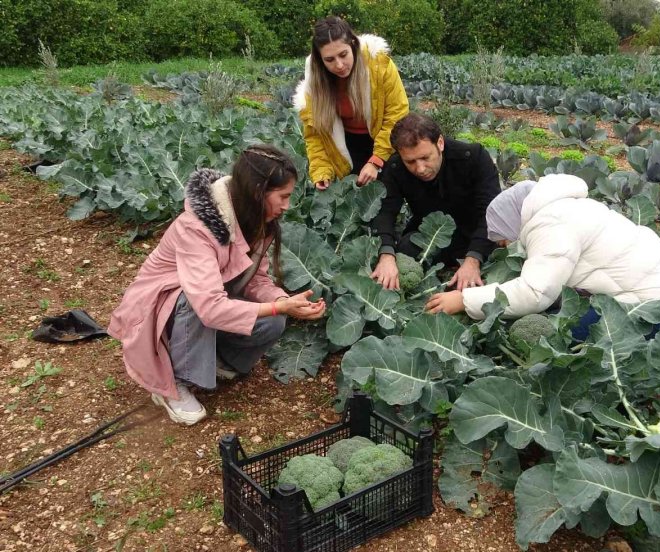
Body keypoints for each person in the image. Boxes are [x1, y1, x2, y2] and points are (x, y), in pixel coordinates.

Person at [108, 145, 326, 425]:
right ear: (258, 192)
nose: (286, 206)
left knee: (274, 321)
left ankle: (220, 362)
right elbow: (208, 306)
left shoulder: (257, 222)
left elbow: (256, 280)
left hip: (212, 301)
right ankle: (173, 383)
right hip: (159, 310)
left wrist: (285, 301)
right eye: (283, 197)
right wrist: (274, 306)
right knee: (195, 300)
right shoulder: (197, 228)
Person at [425, 174, 660, 339]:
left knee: (561, 338)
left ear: (513, 224)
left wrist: (463, 299)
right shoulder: (565, 208)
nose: (509, 247)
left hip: (656, 313)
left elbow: (533, 293)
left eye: (505, 240)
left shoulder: (549, 225)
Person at [370, 113, 501, 291]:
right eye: (411, 162)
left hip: (475, 236)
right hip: (430, 238)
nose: (420, 169)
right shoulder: (395, 168)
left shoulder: (473, 158)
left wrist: (473, 260)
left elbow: (490, 214)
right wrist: (386, 254)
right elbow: (385, 211)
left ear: (440, 143)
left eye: (425, 158)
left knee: (498, 269)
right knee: (405, 249)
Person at [293, 16, 409, 191]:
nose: (339, 65)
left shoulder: (379, 64)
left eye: (343, 55)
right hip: (345, 148)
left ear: (353, 45)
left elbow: (396, 115)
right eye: (329, 60)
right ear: (320, 60)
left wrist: (377, 160)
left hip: (385, 140)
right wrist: (321, 171)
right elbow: (315, 134)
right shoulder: (315, 83)